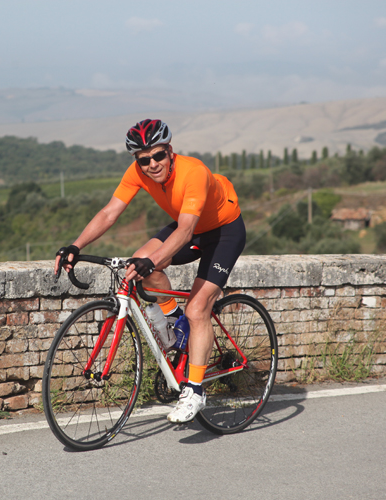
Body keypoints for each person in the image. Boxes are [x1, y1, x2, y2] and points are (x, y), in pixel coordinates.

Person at [54, 119, 246, 423]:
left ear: (170, 151)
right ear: (137, 161)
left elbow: (184, 232)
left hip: (223, 231)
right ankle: (173, 324)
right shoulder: (137, 173)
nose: (152, 164)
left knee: (197, 309)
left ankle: (195, 390)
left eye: (158, 155)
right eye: (144, 160)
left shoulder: (193, 172)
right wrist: (75, 246)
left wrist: (154, 260)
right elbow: (110, 212)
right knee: (138, 262)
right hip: (190, 225)